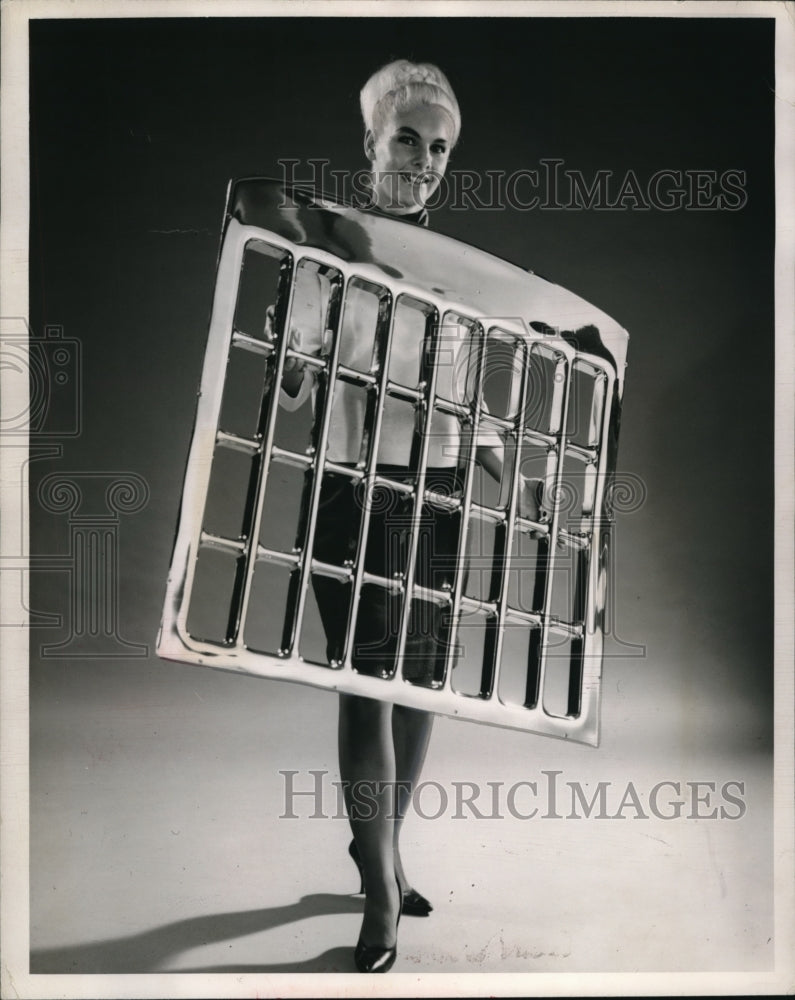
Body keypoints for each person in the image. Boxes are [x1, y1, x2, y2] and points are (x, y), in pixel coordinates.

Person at [266, 59, 545, 973]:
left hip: (438, 489)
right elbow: (296, 392)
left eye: (439, 148)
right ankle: (380, 895)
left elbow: (467, 388)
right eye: (407, 140)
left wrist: (506, 462)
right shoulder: (325, 252)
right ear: (370, 144)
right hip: (353, 488)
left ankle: (379, 846)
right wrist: (290, 347)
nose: (423, 161)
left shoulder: (453, 271)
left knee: (423, 678)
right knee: (366, 681)